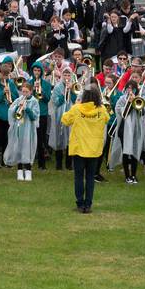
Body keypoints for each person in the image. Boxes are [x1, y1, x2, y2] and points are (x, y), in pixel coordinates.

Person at [62, 84, 107, 213]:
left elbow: (65, 120)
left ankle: (80, 203)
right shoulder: (101, 109)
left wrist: (76, 104)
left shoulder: (77, 108)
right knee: (90, 177)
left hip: (79, 148)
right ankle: (88, 204)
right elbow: (107, 119)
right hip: (94, 149)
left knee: (79, 176)